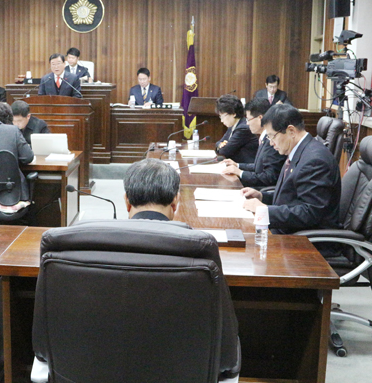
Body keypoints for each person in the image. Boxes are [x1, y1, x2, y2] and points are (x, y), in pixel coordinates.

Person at [122, 158, 240, 378]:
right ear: (175, 202)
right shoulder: (201, 248)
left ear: (127, 201)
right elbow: (226, 354)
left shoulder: (85, 245)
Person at [241, 104, 342, 256]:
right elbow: (292, 196)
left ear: (291, 131)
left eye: (272, 136)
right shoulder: (299, 151)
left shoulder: (315, 160)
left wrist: (264, 210)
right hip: (289, 231)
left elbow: (310, 212)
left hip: (308, 244)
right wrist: (262, 196)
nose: (271, 143)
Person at [221, 98, 286, 188]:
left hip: (261, 191)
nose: (247, 123)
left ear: (260, 118)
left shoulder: (271, 141)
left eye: (248, 119)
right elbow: (258, 167)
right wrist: (237, 165)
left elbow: (269, 177)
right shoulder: (264, 138)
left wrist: (240, 173)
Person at [215, 94, 258, 164]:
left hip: (245, 168)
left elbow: (225, 151)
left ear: (233, 113)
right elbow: (219, 142)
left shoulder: (243, 128)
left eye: (222, 116)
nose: (221, 120)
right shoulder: (232, 125)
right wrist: (220, 145)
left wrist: (221, 146)